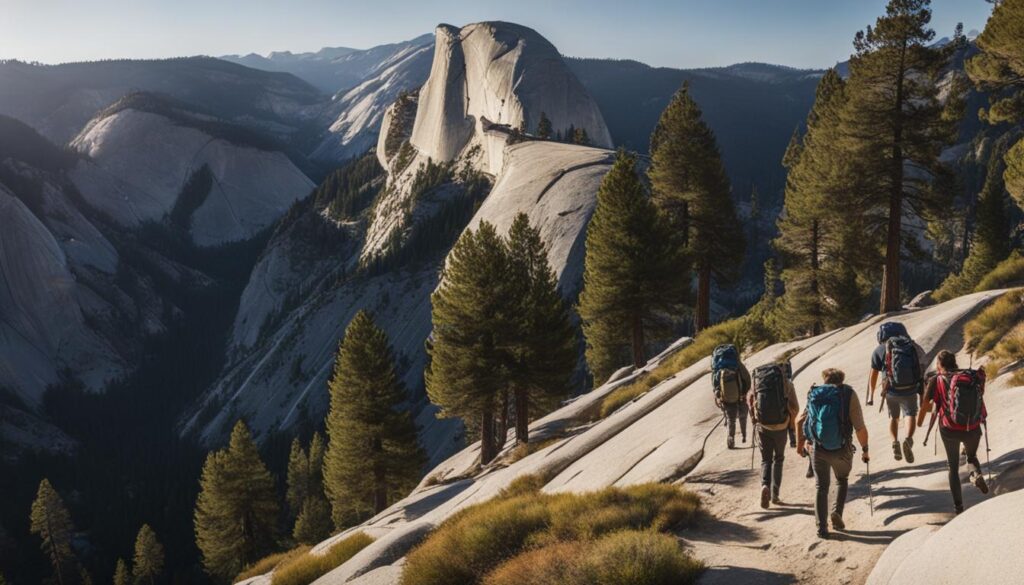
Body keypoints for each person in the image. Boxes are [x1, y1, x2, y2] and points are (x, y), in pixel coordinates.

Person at [797, 368, 869, 539]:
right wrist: (865, 449)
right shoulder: (847, 394)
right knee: (842, 480)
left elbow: (800, 419)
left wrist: (800, 443)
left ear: (825, 380)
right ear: (841, 380)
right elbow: (859, 427)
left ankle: (821, 528)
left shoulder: (815, 393)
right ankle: (837, 512)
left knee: (821, 487)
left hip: (818, 448)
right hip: (842, 449)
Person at [917, 350, 989, 514]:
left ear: (939, 365)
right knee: (971, 457)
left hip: (949, 428)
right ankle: (975, 474)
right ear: (954, 363)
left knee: (953, 467)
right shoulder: (969, 377)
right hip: (972, 427)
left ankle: (959, 507)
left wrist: (932, 407)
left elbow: (925, 406)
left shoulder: (937, 379)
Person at [868, 322, 926, 464]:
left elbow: (874, 373)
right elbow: (921, 365)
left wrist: (870, 396)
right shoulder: (911, 346)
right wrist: (922, 392)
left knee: (894, 418)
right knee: (910, 414)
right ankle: (908, 439)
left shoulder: (880, 349)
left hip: (890, 390)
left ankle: (895, 442)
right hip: (911, 387)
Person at [749, 362, 799, 508]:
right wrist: (791, 426)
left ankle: (765, 485)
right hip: (781, 426)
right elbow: (795, 407)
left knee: (766, 460)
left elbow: (750, 401)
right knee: (779, 458)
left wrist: (754, 419)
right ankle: (775, 494)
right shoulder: (787, 384)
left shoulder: (757, 382)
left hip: (763, 426)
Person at [712, 344, 751, 449]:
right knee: (743, 415)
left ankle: (731, 439)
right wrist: (745, 391)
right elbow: (747, 378)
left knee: (731, 419)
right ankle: (744, 436)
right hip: (740, 395)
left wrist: (718, 395)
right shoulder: (737, 364)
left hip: (726, 397)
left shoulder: (718, 366)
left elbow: (715, 384)